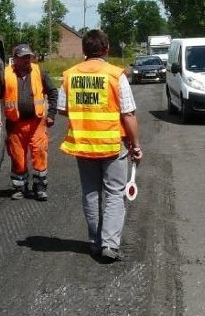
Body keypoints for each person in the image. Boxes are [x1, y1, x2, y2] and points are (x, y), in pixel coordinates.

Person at [58, 29, 142, 262]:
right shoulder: (115, 75)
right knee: (115, 193)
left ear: (83, 50)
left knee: (91, 193)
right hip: (112, 145)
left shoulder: (70, 75)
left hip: (83, 145)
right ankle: (110, 245)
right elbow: (129, 114)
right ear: (106, 49)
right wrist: (136, 145)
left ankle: (95, 243)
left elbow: (63, 108)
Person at [0, 43, 58, 201]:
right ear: (16, 59)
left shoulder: (39, 72)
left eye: (29, 57)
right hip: (15, 125)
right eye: (24, 57)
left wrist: (52, 114)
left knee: (39, 153)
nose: (27, 60)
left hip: (37, 123)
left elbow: (53, 92)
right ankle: (20, 187)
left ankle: (40, 187)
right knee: (17, 157)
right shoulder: (4, 75)